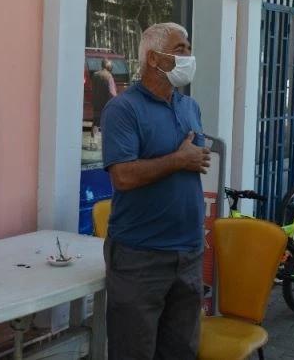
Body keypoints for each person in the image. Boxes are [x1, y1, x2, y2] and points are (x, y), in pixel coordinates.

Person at [100, 22, 210, 360]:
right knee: (133, 352)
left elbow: (193, 161)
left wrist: (191, 159)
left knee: (180, 351)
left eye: (188, 48)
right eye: (180, 49)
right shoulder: (123, 109)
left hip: (188, 253)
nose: (189, 56)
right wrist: (178, 160)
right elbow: (123, 177)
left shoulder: (190, 107)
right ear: (153, 58)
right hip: (140, 258)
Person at [91, 58, 117, 147]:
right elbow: (112, 93)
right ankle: (109, 143)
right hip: (106, 104)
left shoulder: (95, 75)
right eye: (110, 64)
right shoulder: (109, 76)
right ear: (107, 66)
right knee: (108, 123)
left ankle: (94, 141)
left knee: (96, 122)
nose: (112, 66)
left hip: (96, 103)